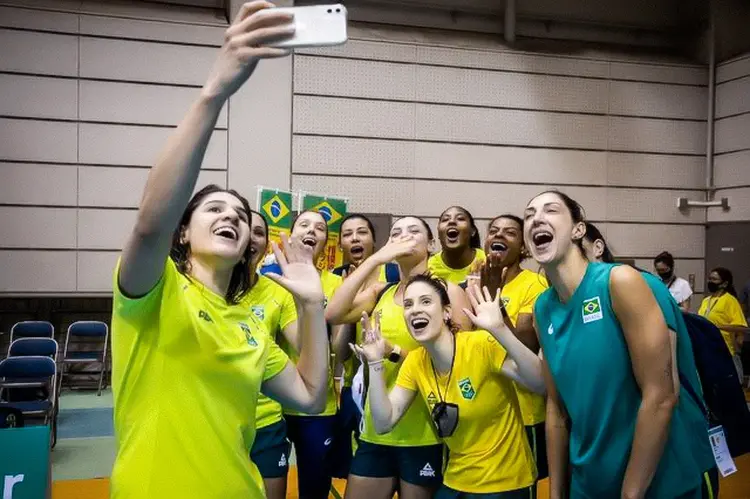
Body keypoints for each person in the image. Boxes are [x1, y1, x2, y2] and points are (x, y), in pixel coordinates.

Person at [110, 4, 330, 496]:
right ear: (183, 232)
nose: (230, 215)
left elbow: (311, 397)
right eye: (213, 209)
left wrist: (311, 303)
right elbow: (149, 225)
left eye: (238, 211)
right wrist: (214, 94)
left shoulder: (250, 324)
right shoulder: (154, 290)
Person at [525, 190, 715, 498]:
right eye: (529, 214)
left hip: (655, 483)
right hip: (590, 482)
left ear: (578, 229)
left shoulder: (619, 282)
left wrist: (631, 494)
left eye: (550, 210)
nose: (537, 219)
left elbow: (662, 396)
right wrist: (557, 493)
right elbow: (556, 408)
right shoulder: (543, 308)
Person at [352, 275, 544, 498]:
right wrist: (375, 362)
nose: (414, 310)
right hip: (456, 482)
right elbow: (384, 422)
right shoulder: (415, 362)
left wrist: (500, 330)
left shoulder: (480, 345)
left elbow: (540, 384)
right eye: (408, 304)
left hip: (506, 483)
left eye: (425, 301)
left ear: (446, 312)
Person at [326, 216, 472, 499]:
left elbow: (457, 362)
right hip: (376, 428)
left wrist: (392, 352)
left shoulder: (449, 292)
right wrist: (374, 261)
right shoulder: (382, 291)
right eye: (396, 233)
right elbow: (333, 313)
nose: (404, 236)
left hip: (426, 432)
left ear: (430, 244)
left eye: (413, 231)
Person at [471, 214, 550, 494]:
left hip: (524, 412)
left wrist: (496, 302)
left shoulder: (535, 286)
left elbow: (527, 347)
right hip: (481, 409)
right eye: (494, 231)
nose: (500, 235)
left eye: (510, 232)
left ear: (524, 248)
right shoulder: (473, 281)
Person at [279, 209, 344, 499]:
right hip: (274, 403)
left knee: (315, 489)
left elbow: (339, 345)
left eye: (319, 228)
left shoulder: (335, 284)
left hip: (319, 405)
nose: (312, 231)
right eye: (304, 225)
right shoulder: (268, 279)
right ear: (291, 236)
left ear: (324, 242)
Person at [245, 211, 300, 499]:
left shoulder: (277, 292)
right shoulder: (203, 290)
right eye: (246, 228)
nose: (252, 237)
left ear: (266, 244)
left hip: (266, 420)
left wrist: (307, 299)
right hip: (217, 420)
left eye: (259, 232)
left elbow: (303, 346)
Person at [699, 267, 749, 381]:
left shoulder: (730, 301)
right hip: (706, 349)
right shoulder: (706, 300)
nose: (710, 282)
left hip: (724, 350)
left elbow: (741, 326)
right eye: (709, 278)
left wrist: (717, 327)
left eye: (714, 279)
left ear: (724, 283)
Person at [428, 206, 486, 285]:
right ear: (439, 233)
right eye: (445, 220)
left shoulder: (485, 262)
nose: (451, 221)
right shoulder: (428, 267)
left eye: (460, 219)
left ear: (472, 231)